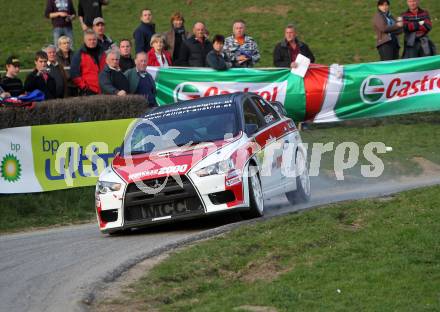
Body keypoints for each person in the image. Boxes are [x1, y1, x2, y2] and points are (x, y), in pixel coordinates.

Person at [71, 29, 107, 95]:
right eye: (89, 40)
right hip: (89, 91)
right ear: (85, 41)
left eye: (94, 39)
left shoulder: (103, 52)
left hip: (104, 89)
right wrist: (84, 88)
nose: (92, 42)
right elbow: (75, 74)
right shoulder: (78, 55)